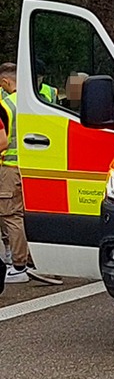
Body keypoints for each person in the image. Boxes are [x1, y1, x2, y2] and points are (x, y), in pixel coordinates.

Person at [0, 63, 56, 287]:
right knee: (22, 215)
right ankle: (27, 260)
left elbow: (3, 141)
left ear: (6, 82)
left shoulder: (5, 105)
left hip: (9, 167)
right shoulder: (34, 102)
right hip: (33, 165)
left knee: (10, 216)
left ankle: (19, 265)